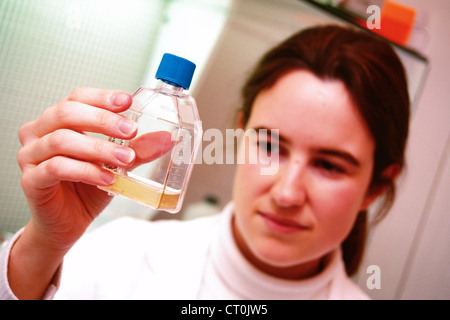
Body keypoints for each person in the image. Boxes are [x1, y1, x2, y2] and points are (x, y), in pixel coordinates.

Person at [0, 25, 409, 300]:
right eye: (270, 146)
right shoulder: (122, 255)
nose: (287, 193)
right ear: (240, 132)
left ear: (375, 186)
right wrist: (44, 244)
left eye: (330, 166)